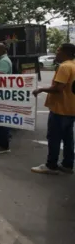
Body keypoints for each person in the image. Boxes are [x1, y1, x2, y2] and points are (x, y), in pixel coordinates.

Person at [31, 43, 75, 175]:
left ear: (65, 53)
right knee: (68, 138)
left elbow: (58, 88)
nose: (56, 53)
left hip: (60, 109)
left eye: (58, 51)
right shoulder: (73, 64)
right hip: (71, 108)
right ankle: (68, 165)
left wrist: (40, 89)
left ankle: (51, 165)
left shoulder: (65, 66)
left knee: (54, 138)